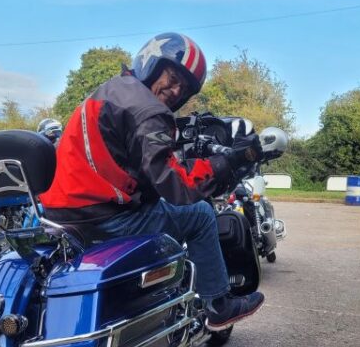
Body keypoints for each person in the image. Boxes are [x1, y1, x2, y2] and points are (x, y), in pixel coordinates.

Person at [39, 32, 265, 331]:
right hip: (104, 218)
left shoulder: (111, 90)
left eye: (183, 88)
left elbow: (134, 163)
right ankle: (218, 305)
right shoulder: (149, 110)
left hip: (60, 214)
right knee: (199, 214)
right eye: (173, 78)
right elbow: (178, 186)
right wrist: (227, 162)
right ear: (152, 65)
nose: (175, 90)